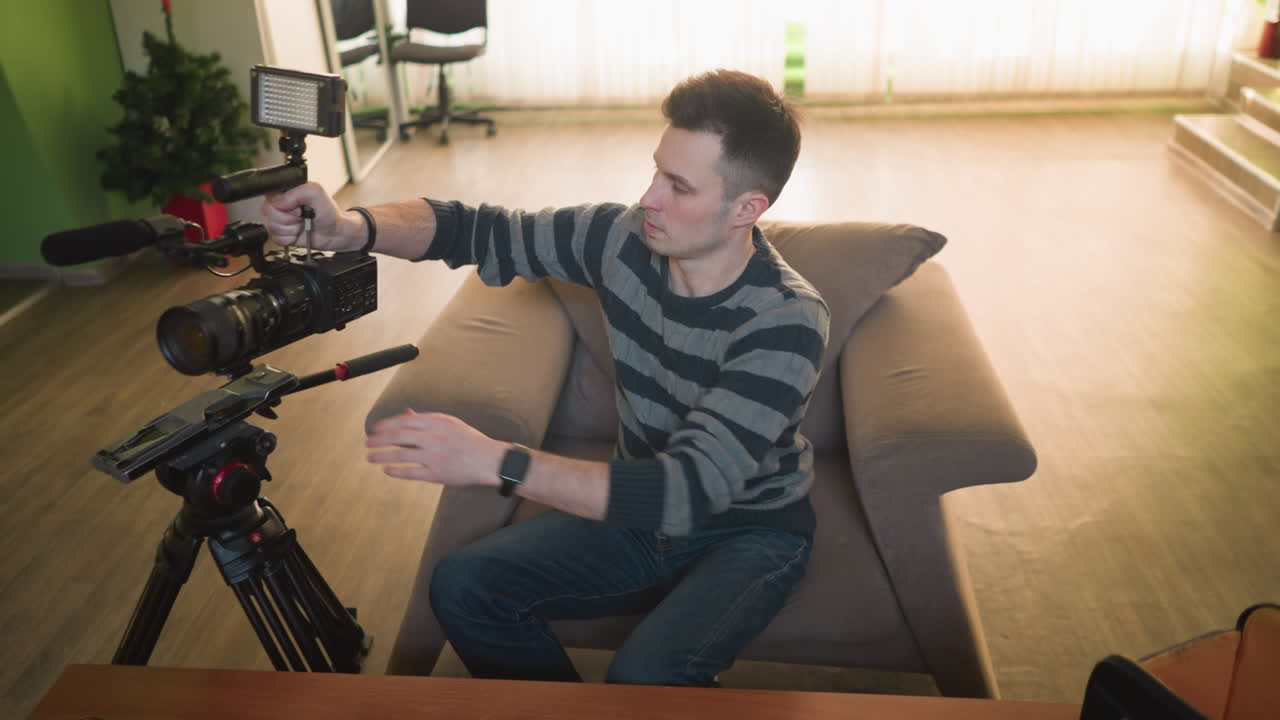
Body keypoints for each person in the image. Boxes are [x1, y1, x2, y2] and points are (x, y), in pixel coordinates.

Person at [262, 69, 829, 687]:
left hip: (749, 532)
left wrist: (497, 462)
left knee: (644, 674)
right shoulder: (623, 240)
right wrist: (351, 228)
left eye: (679, 186)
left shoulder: (786, 319)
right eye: (656, 171)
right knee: (462, 586)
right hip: (637, 520)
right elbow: (476, 228)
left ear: (748, 207)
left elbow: (686, 491)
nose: (649, 198)